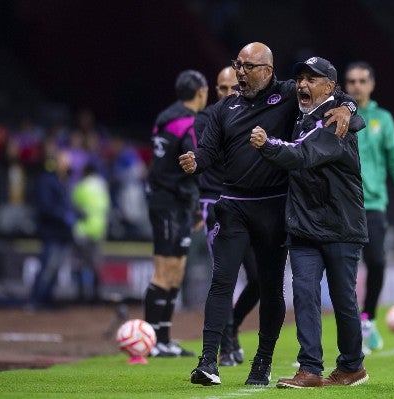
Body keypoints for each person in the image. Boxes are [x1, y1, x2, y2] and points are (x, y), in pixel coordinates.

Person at [179, 42, 356, 387]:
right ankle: (207, 361)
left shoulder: (289, 94)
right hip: (232, 205)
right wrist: (196, 161)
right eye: (238, 65)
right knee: (222, 280)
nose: (240, 73)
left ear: (268, 71)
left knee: (269, 286)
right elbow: (209, 153)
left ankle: (262, 363)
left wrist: (348, 107)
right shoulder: (223, 109)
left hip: (274, 208)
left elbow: (332, 96)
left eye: (248, 67)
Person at [250, 56, 369, 388]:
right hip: (303, 225)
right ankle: (310, 369)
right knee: (303, 293)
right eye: (300, 78)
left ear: (329, 87)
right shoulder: (306, 112)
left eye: (312, 79)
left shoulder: (336, 121)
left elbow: (302, 155)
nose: (303, 84)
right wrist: (351, 105)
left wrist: (267, 145)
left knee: (343, 298)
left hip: (341, 225)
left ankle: (351, 366)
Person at [344, 61, 394, 353]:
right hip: (343, 205)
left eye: (362, 80)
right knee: (345, 270)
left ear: (372, 85)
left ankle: (368, 319)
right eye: (351, 81)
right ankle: (353, 330)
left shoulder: (382, 119)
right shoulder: (336, 115)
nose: (357, 86)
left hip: (373, 203)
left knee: (376, 262)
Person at [195, 66, 260, 367]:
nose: (227, 93)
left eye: (232, 88)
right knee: (225, 278)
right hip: (215, 202)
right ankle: (226, 345)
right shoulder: (207, 120)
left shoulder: (253, 113)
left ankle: (232, 326)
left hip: (248, 204)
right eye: (221, 88)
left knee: (259, 279)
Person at [144, 69, 208, 357]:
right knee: (164, 270)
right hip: (169, 202)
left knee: (176, 271)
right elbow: (192, 164)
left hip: (173, 202)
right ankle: (151, 340)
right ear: (201, 93)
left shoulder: (164, 117)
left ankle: (164, 339)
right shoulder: (187, 123)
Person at [30, 149, 76, 309]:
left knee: (55, 267)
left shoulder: (63, 180)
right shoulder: (48, 180)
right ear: (57, 162)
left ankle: (48, 298)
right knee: (48, 266)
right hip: (51, 231)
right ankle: (37, 300)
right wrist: (64, 215)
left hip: (62, 233)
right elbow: (46, 206)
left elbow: (66, 205)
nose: (68, 163)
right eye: (65, 160)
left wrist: (75, 213)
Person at [71, 162, 111, 303]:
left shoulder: (81, 186)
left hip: (83, 230)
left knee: (80, 263)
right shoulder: (102, 186)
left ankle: (81, 296)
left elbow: (74, 207)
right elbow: (106, 207)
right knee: (96, 263)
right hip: (99, 229)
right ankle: (96, 295)